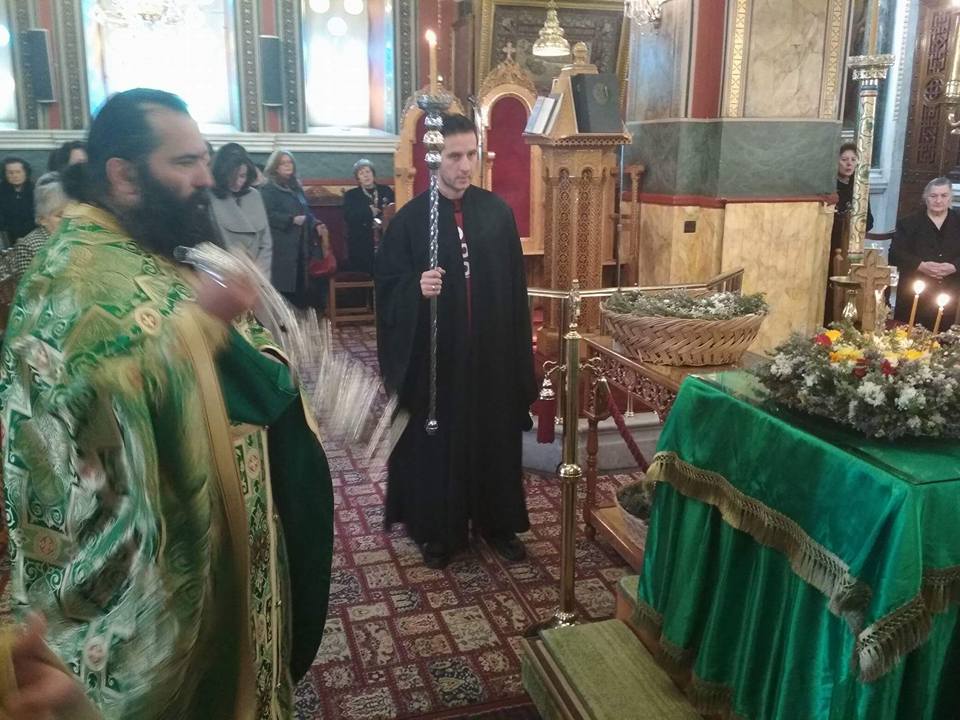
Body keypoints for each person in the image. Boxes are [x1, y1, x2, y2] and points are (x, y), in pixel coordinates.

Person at [0, 88, 333, 719]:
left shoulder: (146, 238)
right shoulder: (72, 271)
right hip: (157, 575)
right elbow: (76, 410)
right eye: (185, 162)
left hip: (237, 526)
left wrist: (256, 349)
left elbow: (221, 345)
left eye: (203, 157)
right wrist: (200, 324)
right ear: (123, 175)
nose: (205, 176)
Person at [375, 113, 536, 569]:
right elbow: (386, 289)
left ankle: (497, 523)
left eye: (471, 155)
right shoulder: (410, 221)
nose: (465, 166)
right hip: (438, 362)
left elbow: (514, 292)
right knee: (439, 444)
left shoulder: (497, 215)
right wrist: (415, 288)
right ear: (434, 158)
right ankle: (439, 530)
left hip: (490, 356)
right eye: (454, 156)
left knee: (493, 438)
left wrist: (518, 357)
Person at [260, 150, 330, 308]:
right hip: (282, 247)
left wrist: (315, 223)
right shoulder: (268, 189)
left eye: (290, 162)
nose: (288, 166)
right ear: (275, 167)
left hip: (301, 247)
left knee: (301, 290)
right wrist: (290, 220)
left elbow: (306, 212)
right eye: (283, 163)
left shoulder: (295, 188)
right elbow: (267, 215)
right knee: (284, 290)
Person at [890, 176, 960, 329]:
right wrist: (920, 265)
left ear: (950, 198)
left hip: (950, 292)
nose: (938, 200)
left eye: (944, 195)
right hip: (913, 293)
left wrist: (954, 266)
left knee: (943, 338)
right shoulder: (908, 223)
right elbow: (895, 254)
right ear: (925, 197)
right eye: (933, 196)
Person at [209, 142, 273, 278]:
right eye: (233, 177)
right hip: (225, 276)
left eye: (243, 176)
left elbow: (266, 242)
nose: (238, 182)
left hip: (258, 276)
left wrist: (260, 276)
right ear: (222, 174)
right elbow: (208, 246)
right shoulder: (209, 198)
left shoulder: (254, 195)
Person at [0, 172, 69, 283]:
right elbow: (28, 289)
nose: (68, 220)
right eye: (60, 216)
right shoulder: (29, 247)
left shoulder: (75, 237)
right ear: (42, 219)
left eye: (71, 213)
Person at [342, 159, 394, 274]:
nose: (366, 175)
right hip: (362, 240)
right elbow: (348, 216)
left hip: (385, 236)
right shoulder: (351, 195)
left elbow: (395, 211)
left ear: (373, 174)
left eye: (368, 171)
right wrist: (369, 212)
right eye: (361, 173)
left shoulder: (386, 191)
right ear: (358, 178)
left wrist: (383, 220)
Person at [831, 142, 874, 257]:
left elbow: (869, 222)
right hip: (830, 240)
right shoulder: (829, 186)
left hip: (851, 243)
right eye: (844, 159)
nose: (849, 163)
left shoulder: (860, 187)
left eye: (853, 160)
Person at [0, 157, 36, 245]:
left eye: (18, 172)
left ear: (26, 173)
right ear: (4, 174)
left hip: (33, 237)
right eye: (10, 173)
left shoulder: (36, 190)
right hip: (5, 238)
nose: (15, 176)